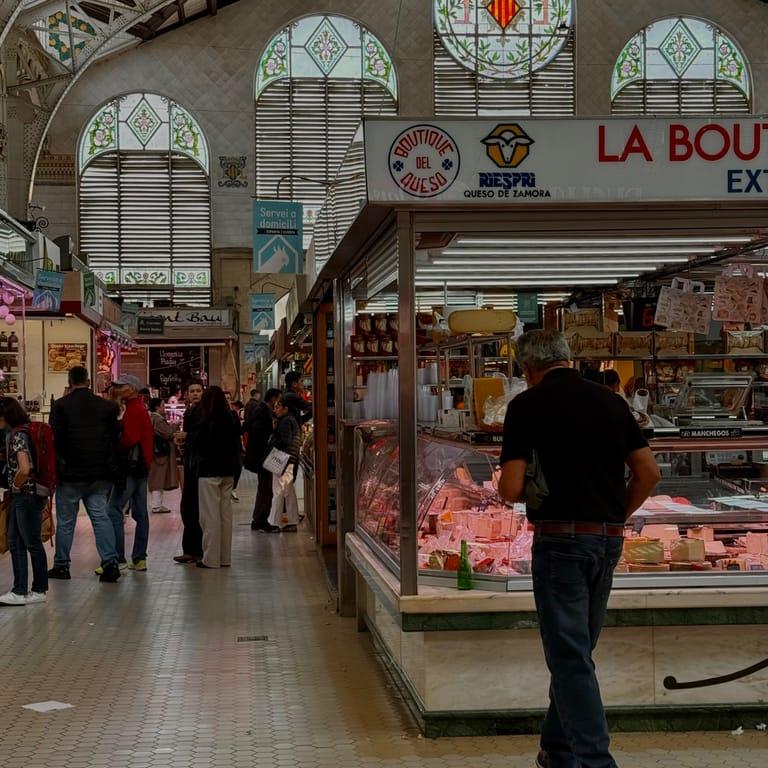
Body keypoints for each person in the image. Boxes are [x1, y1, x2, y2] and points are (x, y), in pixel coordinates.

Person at [497, 330, 660, 768]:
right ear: (568, 357)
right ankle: (558, 751)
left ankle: (595, 762)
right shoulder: (612, 401)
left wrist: (517, 485)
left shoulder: (525, 405)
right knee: (577, 652)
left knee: (570, 657)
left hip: (559, 540)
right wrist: (615, 517)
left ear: (526, 369)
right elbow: (648, 473)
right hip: (607, 539)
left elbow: (511, 487)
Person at [48, 366, 122, 583]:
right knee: (100, 517)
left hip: (71, 473)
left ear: (69, 382)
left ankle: (62, 565)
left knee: (66, 521)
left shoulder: (61, 406)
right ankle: (110, 563)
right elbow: (115, 439)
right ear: (88, 381)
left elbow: (57, 439)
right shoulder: (107, 407)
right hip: (100, 473)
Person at [0, 398, 49, 605]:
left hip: (26, 495)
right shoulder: (25, 430)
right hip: (29, 495)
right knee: (15, 540)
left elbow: (25, 467)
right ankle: (20, 589)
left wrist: (16, 486)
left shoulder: (17, 435)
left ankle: (37, 589)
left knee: (30, 542)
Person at [106, 374, 154, 572]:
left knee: (113, 509)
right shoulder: (139, 408)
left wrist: (115, 445)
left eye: (121, 386)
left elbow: (129, 439)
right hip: (142, 467)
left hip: (131, 468)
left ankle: (118, 557)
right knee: (141, 513)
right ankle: (139, 557)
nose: (117, 389)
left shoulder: (133, 410)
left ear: (132, 388)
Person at [194, 386, 242, 568]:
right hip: (229, 471)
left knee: (209, 517)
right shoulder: (232, 417)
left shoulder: (204, 419)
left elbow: (199, 445)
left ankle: (211, 559)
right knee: (225, 516)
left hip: (208, 472)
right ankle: (225, 557)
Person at [174, 380, 205, 563]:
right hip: (190, 463)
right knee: (188, 507)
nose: (195, 394)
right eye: (192, 391)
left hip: (199, 466)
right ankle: (190, 549)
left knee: (194, 507)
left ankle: (197, 549)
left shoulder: (204, 413)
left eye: (198, 391)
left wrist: (188, 437)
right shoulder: (190, 412)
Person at [244, 388, 281, 532]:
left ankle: (259, 520)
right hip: (262, 458)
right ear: (273, 399)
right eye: (278, 399)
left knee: (264, 489)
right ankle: (260, 521)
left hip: (261, 457)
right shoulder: (261, 411)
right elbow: (259, 433)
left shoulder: (262, 410)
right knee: (265, 490)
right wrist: (271, 435)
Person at [267, 396, 302, 532]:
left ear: (285, 408)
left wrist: (273, 437)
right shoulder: (291, 420)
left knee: (278, 490)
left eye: (278, 406)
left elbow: (285, 440)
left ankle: (274, 522)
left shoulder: (286, 421)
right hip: (290, 459)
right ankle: (292, 521)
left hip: (283, 459)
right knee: (288, 491)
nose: (275, 409)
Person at [148, 398, 179, 514]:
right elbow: (168, 433)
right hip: (160, 453)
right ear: (157, 407)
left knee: (157, 477)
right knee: (158, 478)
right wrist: (175, 426)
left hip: (156, 452)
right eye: (162, 406)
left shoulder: (152, 418)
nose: (164, 408)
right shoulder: (159, 420)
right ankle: (156, 505)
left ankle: (157, 505)